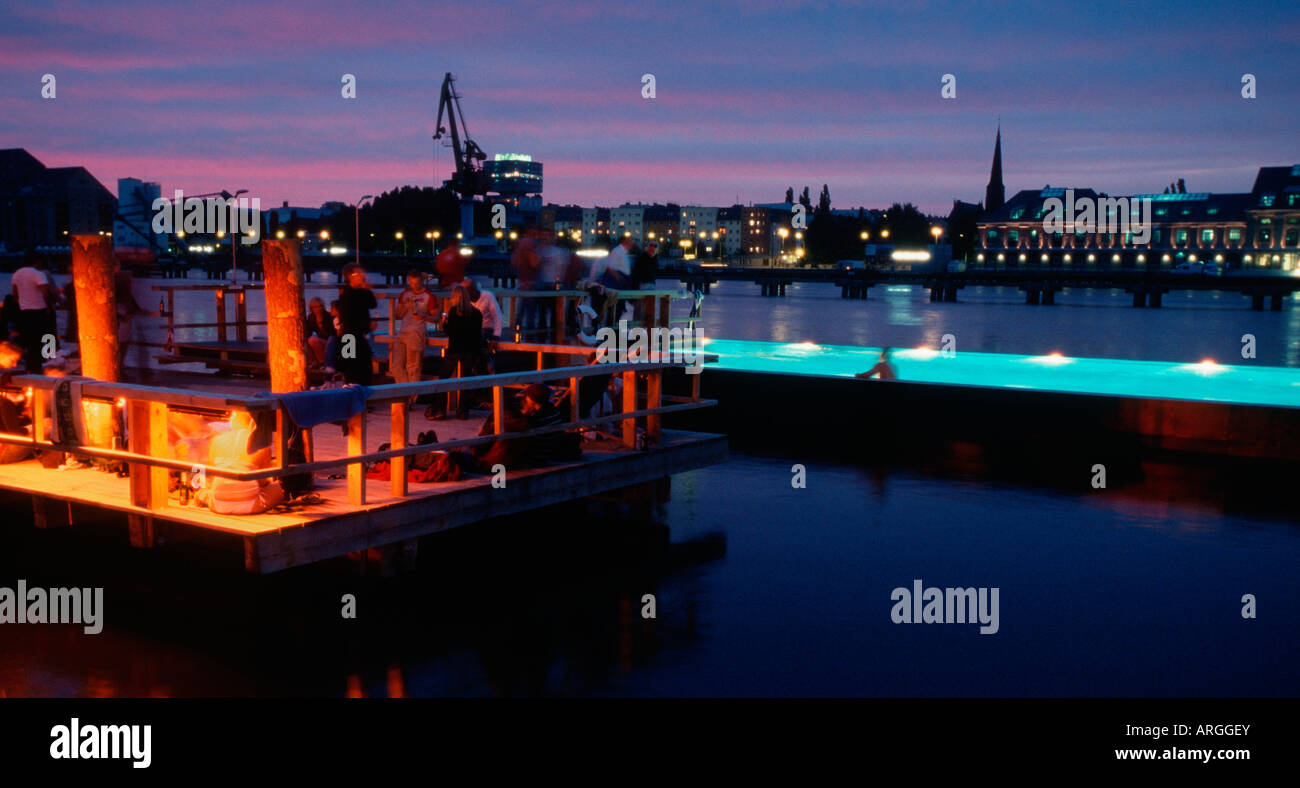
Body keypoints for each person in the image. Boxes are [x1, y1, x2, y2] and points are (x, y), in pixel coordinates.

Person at [427, 284, 482, 420]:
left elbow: (450, 332)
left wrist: (445, 322)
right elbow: (477, 334)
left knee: (443, 379)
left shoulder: (453, 312)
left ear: (456, 297)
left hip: (454, 350)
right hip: (470, 351)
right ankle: (463, 411)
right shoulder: (476, 313)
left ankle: (439, 409)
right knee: (465, 381)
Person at [11, 251, 59, 373]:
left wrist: (22, 304)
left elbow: (15, 294)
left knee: (30, 338)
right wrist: (49, 307)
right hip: (40, 309)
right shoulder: (38, 274)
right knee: (48, 335)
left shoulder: (17, 274)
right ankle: (49, 360)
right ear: (38, 262)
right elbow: (45, 293)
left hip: (24, 311)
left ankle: (31, 364)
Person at [391, 270, 437, 392]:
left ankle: (411, 397)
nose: (414, 286)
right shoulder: (404, 294)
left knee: (413, 367)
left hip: (417, 333)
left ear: (422, 281)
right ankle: (405, 392)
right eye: (411, 283)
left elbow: (436, 318)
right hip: (402, 332)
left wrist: (423, 316)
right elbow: (397, 315)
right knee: (396, 366)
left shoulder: (429, 296)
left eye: (416, 283)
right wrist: (406, 306)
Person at [336, 264, 377, 384]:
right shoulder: (346, 295)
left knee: (364, 368)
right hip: (349, 336)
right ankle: (352, 394)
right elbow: (348, 319)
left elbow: (372, 304)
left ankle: (363, 396)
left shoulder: (362, 292)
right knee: (352, 368)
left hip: (357, 335)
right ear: (350, 277)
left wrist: (366, 288)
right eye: (358, 273)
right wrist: (367, 326)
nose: (362, 275)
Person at [512, 225, 543, 333]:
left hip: (522, 281)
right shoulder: (529, 245)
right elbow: (535, 264)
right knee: (531, 312)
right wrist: (539, 256)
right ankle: (530, 335)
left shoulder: (519, 248)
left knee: (521, 311)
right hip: (530, 283)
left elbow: (515, 263)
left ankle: (516, 331)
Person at [304, 297, 335, 368]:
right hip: (320, 341)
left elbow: (329, 335)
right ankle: (313, 362)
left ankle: (322, 363)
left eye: (319, 306)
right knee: (306, 342)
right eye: (314, 307)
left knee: (313, 340)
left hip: (329, 342)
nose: (317, 309)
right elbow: (309, 332)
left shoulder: (328, 316)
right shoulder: (311, 317)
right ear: (311, 308)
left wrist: (320, 324)